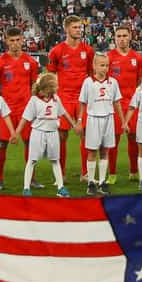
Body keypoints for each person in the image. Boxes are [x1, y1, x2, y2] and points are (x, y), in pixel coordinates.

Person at [47, 15, 94, 183]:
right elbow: (51, 75)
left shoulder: (88, 50)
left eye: (80, 27)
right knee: (61, 136)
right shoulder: (57, 51)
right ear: (66, 29)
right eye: (75, 27)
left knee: (86, 135)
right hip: (64, 98)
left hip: (83, 98)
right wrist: (54, 97)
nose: (78, 30)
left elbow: (91, 74)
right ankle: (61, 173)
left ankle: (85, 172)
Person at [0, 27, 40, 191]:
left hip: (25, 110)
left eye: (17, 40)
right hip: (6, 110)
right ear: (6, 41)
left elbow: (34, 86)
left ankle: (32, 178)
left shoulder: (31, 62)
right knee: (2, 144)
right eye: (11, 40)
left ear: (22, 40)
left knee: (30, 143)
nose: (15, 43)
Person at [14, 72, 75, 197]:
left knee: (55, 160)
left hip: (53, 133)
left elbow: (64, 113)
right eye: (55, 85)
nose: (57, 87)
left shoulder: (56, 99)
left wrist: (74, 126)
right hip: (38, 133)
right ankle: (26, 188)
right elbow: (25, 118)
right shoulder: (34, 100)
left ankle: (60, 188)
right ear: (47, 88)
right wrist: (16, 133)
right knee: (32, 161)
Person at [78, 53, 127, 196]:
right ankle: (91, 182)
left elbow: (117, 102)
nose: (105, 68)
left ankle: (102, 181)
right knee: (92, 151)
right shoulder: (88, 82)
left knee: (105, 151)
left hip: (108, 119)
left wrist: (123, 121)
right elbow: (82, 103)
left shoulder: (113, 82)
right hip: (93, 119)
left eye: (107, 65)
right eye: (101, 65)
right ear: (94, 66)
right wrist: (80, 121)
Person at [105, 25, 142, 186]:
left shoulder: (137, 57)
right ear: (114, 38)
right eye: (119, 36)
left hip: (132, 104)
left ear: (130, 37)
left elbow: (139, 80)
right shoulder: (108, 57)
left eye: (124, 35)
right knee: (113, 140)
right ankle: (112, 173)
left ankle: (134, 171)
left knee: (134, 138)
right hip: (114, 104)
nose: (122, 39)